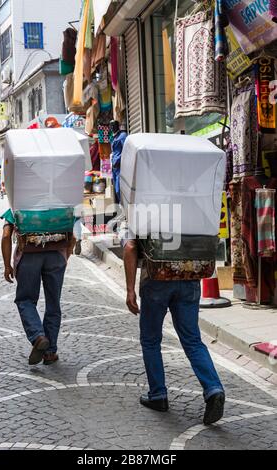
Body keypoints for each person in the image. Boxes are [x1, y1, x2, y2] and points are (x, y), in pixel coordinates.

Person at [123, 238, 225, 426]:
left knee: (150, 340)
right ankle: (213, 388)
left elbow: (130, 247)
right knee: (193, 340)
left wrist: (130, 290)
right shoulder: (194, 211)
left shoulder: (146, 211)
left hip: (157, 279)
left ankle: (158, 395)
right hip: (189, 277)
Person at [1, 209, 77, 366]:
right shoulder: (62, 206)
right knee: (53, 303)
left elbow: (6, 236)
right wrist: (65, 257)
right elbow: (74, 236)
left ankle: (38, 336)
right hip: (56, 254)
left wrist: (7, 265)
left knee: (25, 300)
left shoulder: (17, 207)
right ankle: (50, 353)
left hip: (29, 255)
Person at [109, 120, 127, 204]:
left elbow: (126, 150)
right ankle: (121, 205)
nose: (112, 127)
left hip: (120, 166)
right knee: (116, 189)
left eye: (114, 125)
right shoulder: (113, 137)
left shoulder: (122, 136)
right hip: (114, 167)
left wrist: (120, 160)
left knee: (119, 188)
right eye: (111, 126)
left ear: (118, 126)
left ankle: (124, 206)